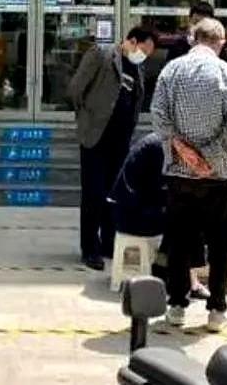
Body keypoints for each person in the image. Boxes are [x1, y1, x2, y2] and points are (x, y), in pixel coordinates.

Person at [152, 18, 227, 332]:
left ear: (193, 39)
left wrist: (185, 151)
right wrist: (210, 158)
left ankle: (177, 306)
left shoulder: (171, 71)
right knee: (220, 242)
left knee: (179, 240)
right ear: (220, 42)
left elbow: (159, 115)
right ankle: (217, 310)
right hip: (221, 174)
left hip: (179, 171)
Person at [67, 27, 158, 271]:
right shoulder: (102, 54)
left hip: (121, 141)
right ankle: (90, 247)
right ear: (132, 41)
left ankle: (108, 242)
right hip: (96, 137)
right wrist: (87, 118)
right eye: (143, 50)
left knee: (113, 194)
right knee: (93, 193)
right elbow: (76, 89)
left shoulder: (137, 68)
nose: (143, 56)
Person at [110, 132, 209, 299]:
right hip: (132, 214)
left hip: (136, 208)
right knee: (187, 223)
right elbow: (160, 192)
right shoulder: (161, 149)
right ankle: (186, 280)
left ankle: (176, 274)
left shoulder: (162, 143)